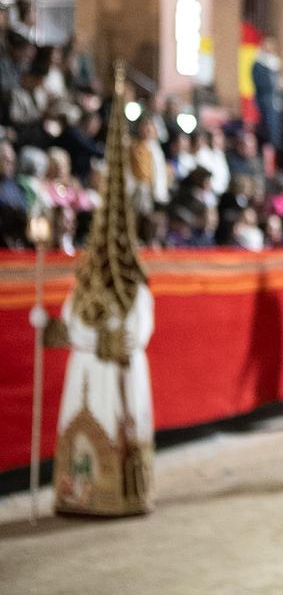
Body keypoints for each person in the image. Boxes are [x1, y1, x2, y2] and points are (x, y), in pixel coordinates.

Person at [44, 65, 156, 516]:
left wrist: (96, 340)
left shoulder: (136, 289)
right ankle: (78, 494)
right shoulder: (85, 284)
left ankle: (122, 494)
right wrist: (60, 331)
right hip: (89, 368)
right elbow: (70, 323)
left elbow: (138, 333)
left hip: (117, 371)